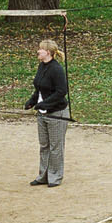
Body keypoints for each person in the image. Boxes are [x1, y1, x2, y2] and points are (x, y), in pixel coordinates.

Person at [24, 37, 70, 187]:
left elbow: (61, 91)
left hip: (56, 113)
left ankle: (55, 177)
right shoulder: (41, 66)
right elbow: (39, 88)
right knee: (44, 145)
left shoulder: (56, 69)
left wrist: (45, 103)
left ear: (48, 52)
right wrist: (32, 101)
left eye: (41, 49)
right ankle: (43, 176)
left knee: (56, 147)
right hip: (42, 113)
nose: (38, 51)